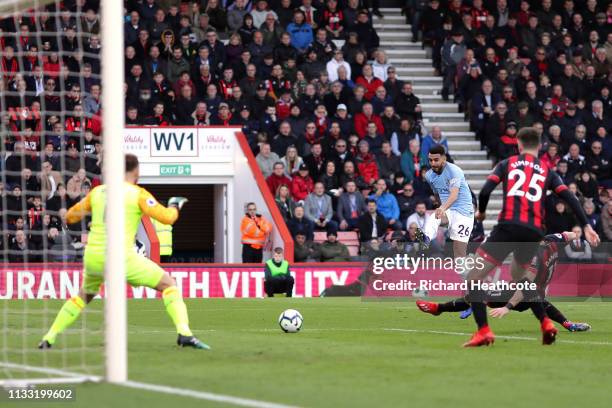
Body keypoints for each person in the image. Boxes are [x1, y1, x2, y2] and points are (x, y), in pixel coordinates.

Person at [39, 154, 209, 350]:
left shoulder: (98, 192)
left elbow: (69, 217)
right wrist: (174, 205)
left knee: (83, 296)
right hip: (119, 257)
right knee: (169, 284)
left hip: (93, 256)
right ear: (136, 171)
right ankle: (184, 333)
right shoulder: (138, 194)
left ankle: (49, 337)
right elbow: (168, 218)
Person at [465, 127, 600, 347]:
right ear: (540, 146)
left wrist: (481, 212)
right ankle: (546, 323)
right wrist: (585, 225)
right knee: (522, 278)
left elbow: (486, 190)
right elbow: (570, 197)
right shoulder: (548, 171)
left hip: (508, 226)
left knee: (473, 278)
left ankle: (483, 331)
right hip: (533, 232)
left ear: (518, 143)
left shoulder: (507, 164)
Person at [417, 231, 592, 333]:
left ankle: (439, 309)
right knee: (537, 299)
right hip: (539, 292)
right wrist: (582, 235)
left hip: (524, 295)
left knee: (477, 294)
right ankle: (568, 324)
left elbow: (524, 287)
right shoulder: (552, 240)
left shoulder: (534, 257)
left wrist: (507, 307)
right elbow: (569, 234)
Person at [420, 145, 474, 260]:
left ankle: (474, 274)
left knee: (459, 255)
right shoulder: (429, 175)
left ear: (444, 158)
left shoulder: (454, 171)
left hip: (464, 213)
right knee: (434, 217)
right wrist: (441, 207)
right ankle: (425, 240)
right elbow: (437, 193)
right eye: (430, 160)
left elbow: (454, 195)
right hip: (449, 210)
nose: (433, 163)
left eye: (436, 160)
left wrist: (442, 208)